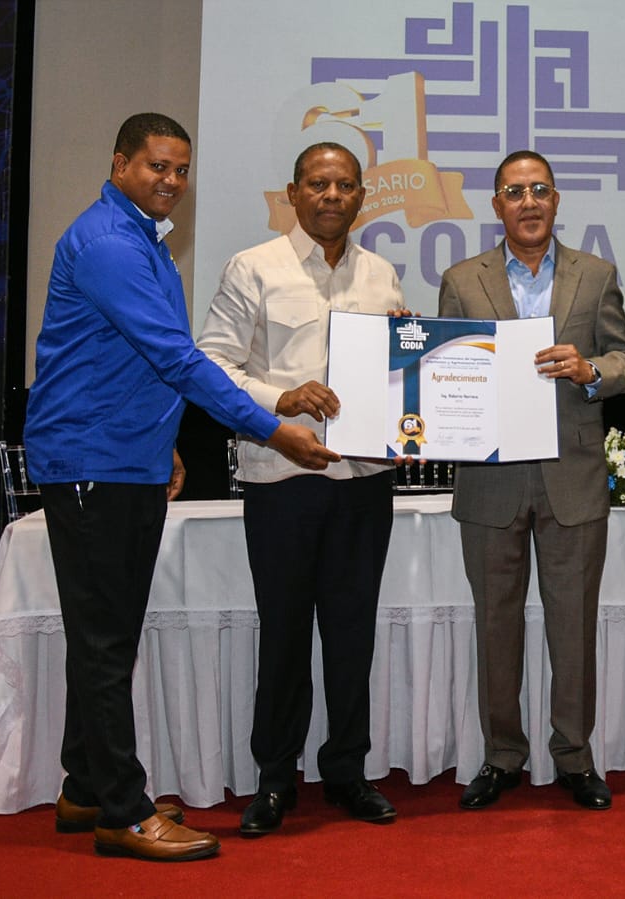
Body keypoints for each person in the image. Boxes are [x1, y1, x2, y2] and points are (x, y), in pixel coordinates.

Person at [26, 113, 335, 861]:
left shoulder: (143, 241)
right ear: (120, 163)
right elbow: (177, 358)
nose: (170, 181)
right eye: (156, 166)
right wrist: (271, 427)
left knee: (109, 633)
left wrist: (161, 444)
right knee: (105, 641)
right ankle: (122, 812)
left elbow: (133, 362)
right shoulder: (109, 244)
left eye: (181, 170)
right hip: (91, 465)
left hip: (123, 459)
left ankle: (86, 784)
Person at [197, 142, 405, 834]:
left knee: (352, 636)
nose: (332, 195)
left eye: (346, 185)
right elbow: (211, 364)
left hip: (364, 483)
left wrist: (412, 418)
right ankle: (275, 778)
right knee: (284, 634)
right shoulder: (252, 268)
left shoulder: (382, 275)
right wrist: (281, 397)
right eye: (318, 184)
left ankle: (347, 769)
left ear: (360, 197)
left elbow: (401, 369)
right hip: (282, 480)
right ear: (293, 193)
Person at [439, 150, 625, 812]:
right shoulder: (461, 278)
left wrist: (590, 370)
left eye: (540, 191)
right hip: (490, 478)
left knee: (572, 624)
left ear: (557, 202)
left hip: (571, 475)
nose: (528, 202)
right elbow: (443, 370)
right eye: (514, 192)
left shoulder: (597, 273)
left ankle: (575, 757)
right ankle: (502, 756)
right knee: (495, 624)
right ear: (496, 206)